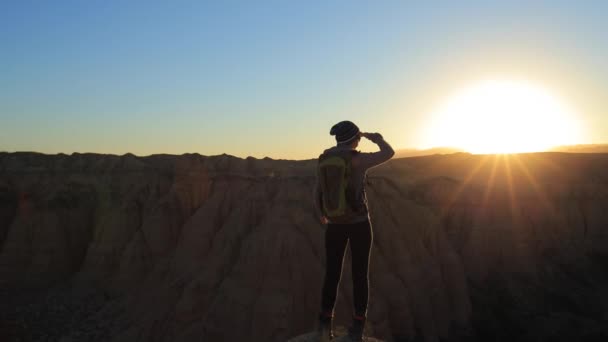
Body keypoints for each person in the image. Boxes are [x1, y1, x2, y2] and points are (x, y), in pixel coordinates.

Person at [314, 120, 394, 341]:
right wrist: (376, 138)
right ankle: (357, 327)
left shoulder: (324, 158)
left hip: (334, 225)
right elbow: (389, 152)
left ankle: (323, 326)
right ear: (355, 138)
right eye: (358, 137)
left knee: (332, 274)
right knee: (360, 275)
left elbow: (318, 190)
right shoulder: (358, 159)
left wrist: (322, 214)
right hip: (359, 224)